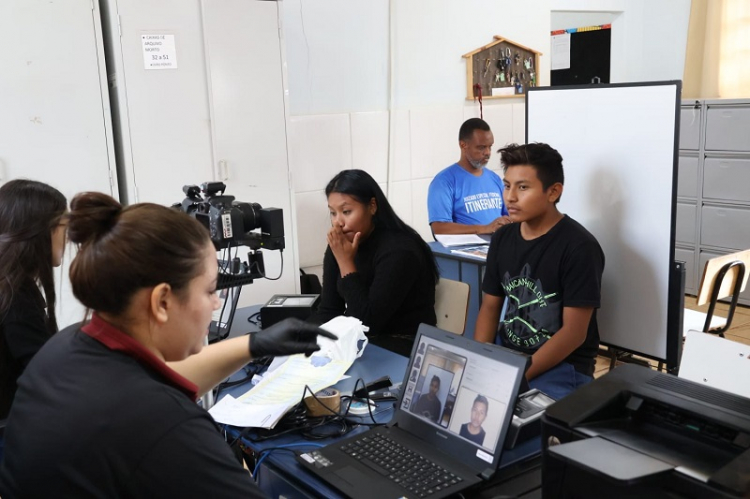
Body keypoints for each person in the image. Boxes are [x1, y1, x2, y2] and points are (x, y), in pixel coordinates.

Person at [0, 192, 335, 498]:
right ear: (162, 301)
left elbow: (162, 378)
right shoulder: (165, 428)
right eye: (209, 291)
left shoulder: (69, 346)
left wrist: (254, 344)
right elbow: (156, 408)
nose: (216, 304)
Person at [474, 143, 604, 401]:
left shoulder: (579, 247)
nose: (510, 197)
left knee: (521, 427)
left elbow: (574, 333)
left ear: (553, 192)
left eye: (523, 187)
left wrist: (519, 376)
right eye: (507, 185)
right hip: (508, 353)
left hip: (563, 367)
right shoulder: (502, 238)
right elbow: (489, 307)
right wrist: (480, 362)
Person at [308, 169, 439, 356]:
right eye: (332, 213)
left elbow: (368, 323)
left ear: (372, 206)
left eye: (346, 211)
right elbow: (329, 309)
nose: (338, 223)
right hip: (364, 341)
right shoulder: (340, 243)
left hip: (404, 345)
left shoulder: (400, 250)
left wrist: (346, 263)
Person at [0, 180, 68, 464]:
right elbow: (45, 377)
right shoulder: (16, 297)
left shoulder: (11, 287)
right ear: (40, 232)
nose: (67, 238)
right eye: (64, 228)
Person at [427, 118, 511, 235]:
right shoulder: (444, 182)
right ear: (463, 145)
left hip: (497, 246)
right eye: (481, 147)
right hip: (465, 251)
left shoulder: (494, 179)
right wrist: (484, 229)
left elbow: (509, 215)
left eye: (490, 146)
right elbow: (439, 229)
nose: (487, 152)